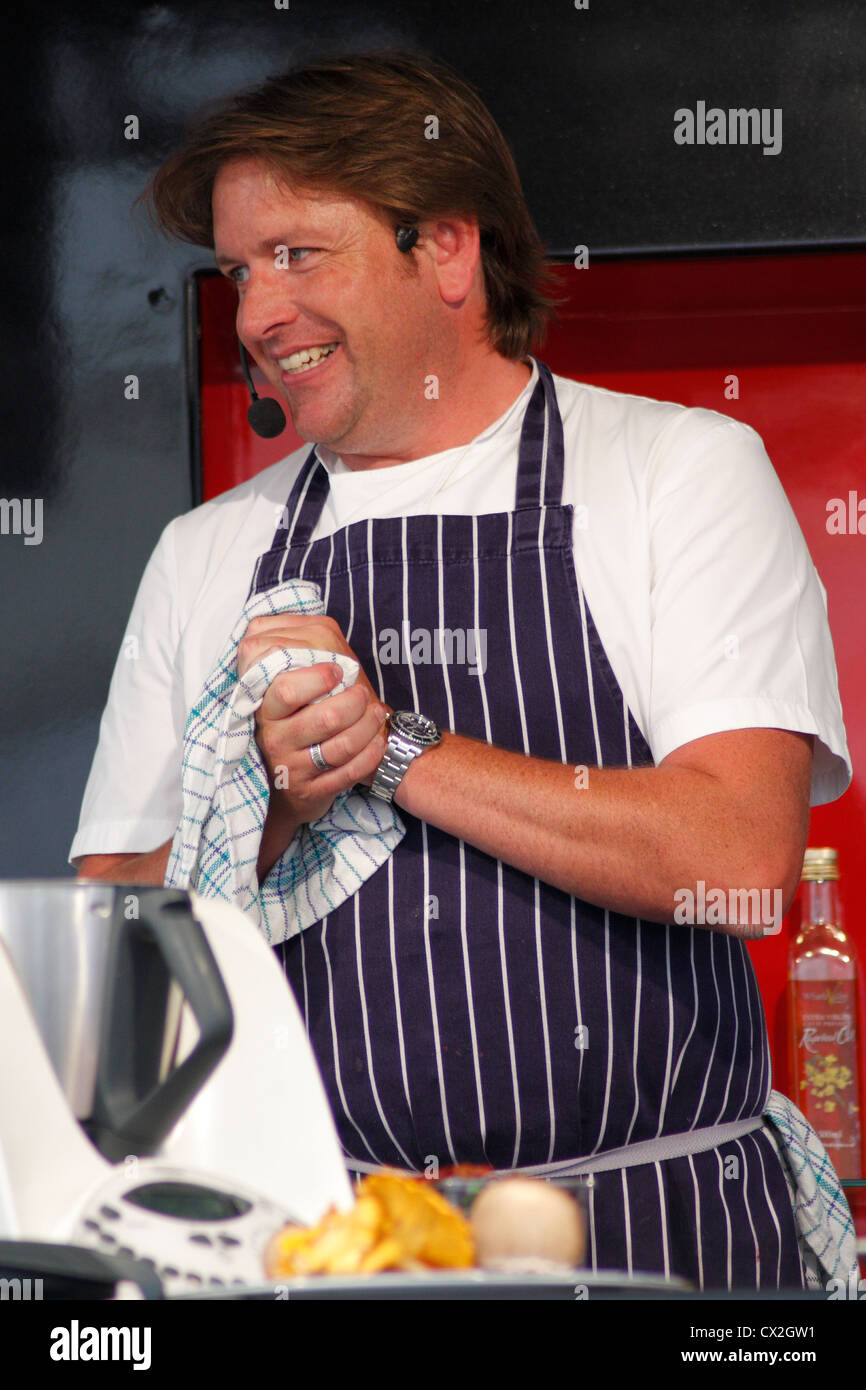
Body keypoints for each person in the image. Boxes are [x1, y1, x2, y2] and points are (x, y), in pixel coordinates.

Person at [71, 50, 852, 1289]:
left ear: (443, 248)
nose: (255, 314)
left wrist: (391, 749)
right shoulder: (207, 552)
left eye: (296, 255)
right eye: (235, 270)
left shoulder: (674, 473)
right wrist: (266, 812)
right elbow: (109, 967)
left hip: (657, 1234)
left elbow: (737, 861)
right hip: (340, 1249)